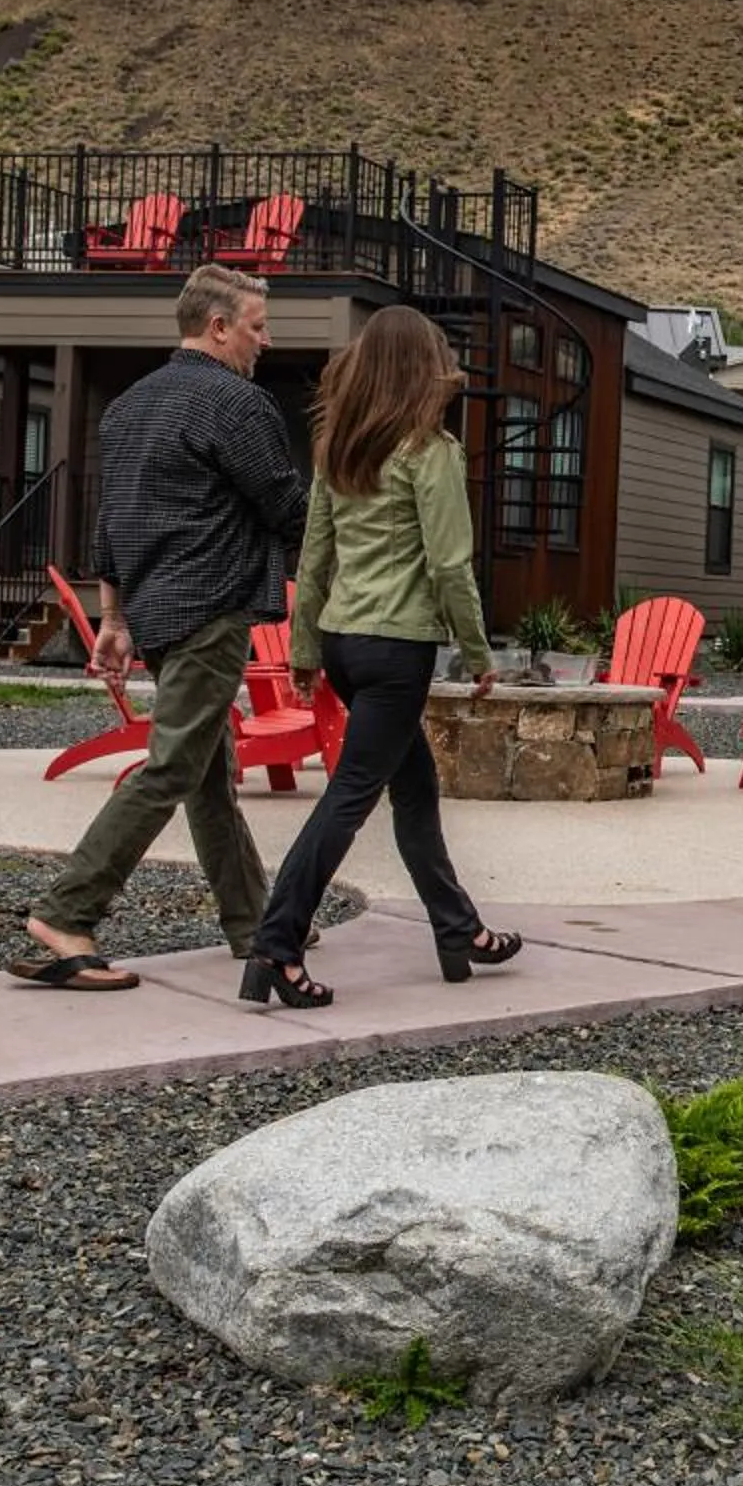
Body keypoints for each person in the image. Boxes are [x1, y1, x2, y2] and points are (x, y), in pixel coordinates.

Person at [12, 263, 306, 990]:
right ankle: (68, 910)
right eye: (257, 327)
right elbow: (289, 508)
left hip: (155, 611)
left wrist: (113, 617)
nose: (264, 342)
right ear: (218, 327)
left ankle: (256, 925)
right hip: (213, 606)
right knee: (175, 764)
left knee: (207, 777)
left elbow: (110, 525)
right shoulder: (239, 405)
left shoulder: (128, 406)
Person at [240, 305, 521, 1006]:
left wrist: (304, 648)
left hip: (344, 643)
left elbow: (315, 555)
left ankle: (459, 928)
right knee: (349, 798)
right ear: (422, 368)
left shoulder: (340, 446)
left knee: (415, 788)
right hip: (397, 650)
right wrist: (480, 653)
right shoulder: (431, 451)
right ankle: (277, 946)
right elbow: (451, 565)